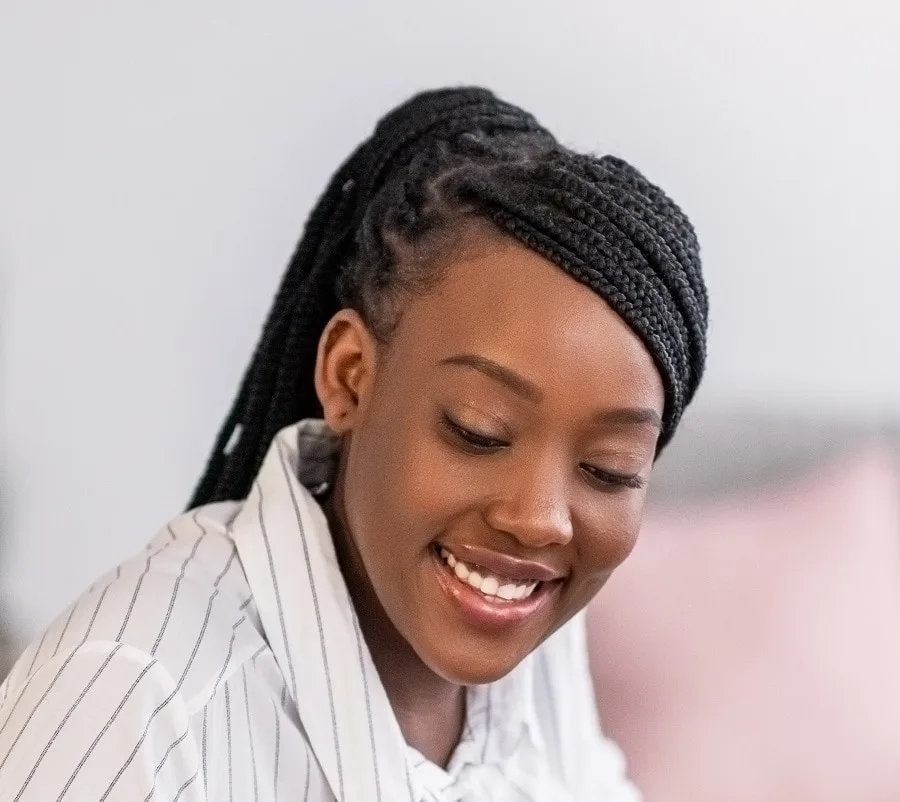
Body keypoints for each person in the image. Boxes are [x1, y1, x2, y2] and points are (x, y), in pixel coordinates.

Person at [0, 86, 707, 801]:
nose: (539, 519)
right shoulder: (140, 699)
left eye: (607, 470)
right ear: (350, 376)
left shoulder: (534, 648)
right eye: (478, 431)